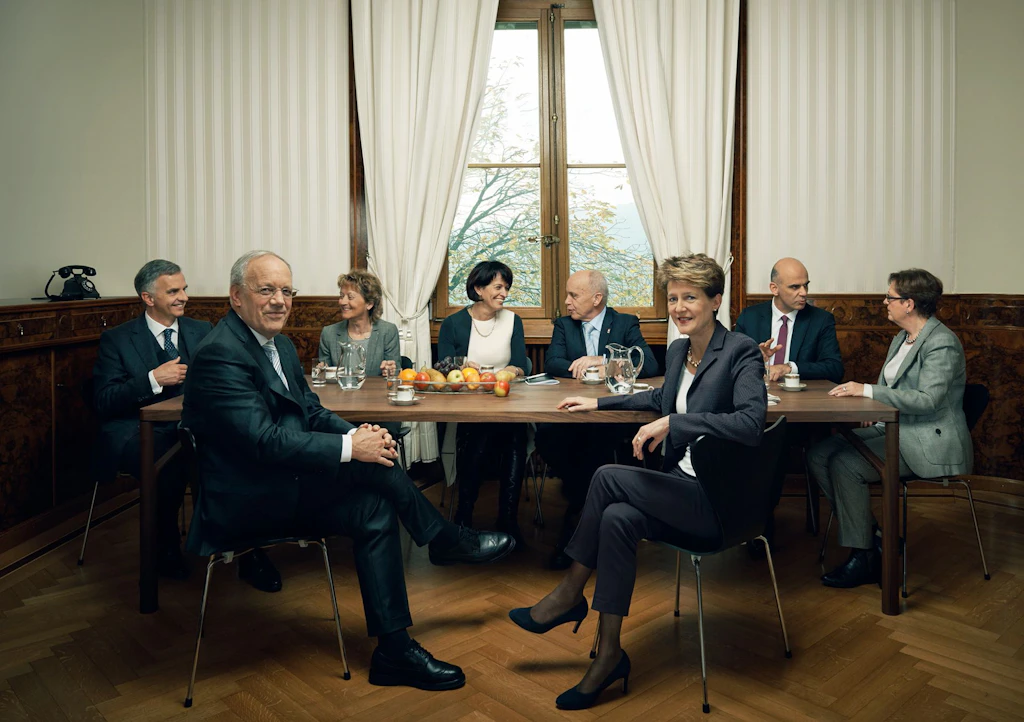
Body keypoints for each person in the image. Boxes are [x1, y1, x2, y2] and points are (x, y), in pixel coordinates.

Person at [181, 250, 514, 691]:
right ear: (236, 296)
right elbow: (263, 441)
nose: (280, 300)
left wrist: (363, 437)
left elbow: (312, 411)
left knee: (375, 499)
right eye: (267, 290)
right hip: (245, 499)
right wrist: (349, 447)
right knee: (373, 472)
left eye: (286, 290)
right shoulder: (221, 354)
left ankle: (395, 649)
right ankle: (444, 541)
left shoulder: (275, 343)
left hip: (281, 482)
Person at [509, 254, 766, 710]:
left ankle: (570, 594)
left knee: (608, 476)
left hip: (717, 502)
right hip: (682, 490)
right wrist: (598, 406)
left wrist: (674, 424)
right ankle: (608, 654)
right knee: (619, 519)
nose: (680, 307)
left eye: (690, 297)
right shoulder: (679, 350)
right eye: (673, 298)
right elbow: (659, 396)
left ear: (715, 301)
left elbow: (750, 423)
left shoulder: (740, 350)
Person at [807, 268, 972, 589]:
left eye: (890, 297)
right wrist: (874, 409)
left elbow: (928, 400)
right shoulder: (902, 338)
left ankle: (863, 554)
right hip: (895, 428)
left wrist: (868, 392)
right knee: (818, 453)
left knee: (845, 464)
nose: (885, 302)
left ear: (909, 304)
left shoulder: (942, 344)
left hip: (927, 441)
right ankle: (877, 538)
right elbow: (893, 388)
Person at [92, 260, 212, 581]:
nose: (184, 296)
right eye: (173, 291)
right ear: (148, 298)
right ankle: (165, 548)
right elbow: (104, 401)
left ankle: (238, 547)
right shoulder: (117, 340)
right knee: (169, 460)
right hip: (136, 430)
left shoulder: (203, 331)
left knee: (234, 451)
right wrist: (152, 379)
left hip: (191, 426)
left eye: (184, 288)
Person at [535, 270, 660, 569]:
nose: (566, 302)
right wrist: (591, 370)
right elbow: (553, 362)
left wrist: (604, 362)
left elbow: (650, 363)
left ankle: (575, 525)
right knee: (548, 437)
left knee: (597, 443)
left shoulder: (625, 322)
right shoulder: (564, 325)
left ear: (597, 298)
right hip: (574, 413)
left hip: (613, 413)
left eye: (573, 295)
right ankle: (591, 509)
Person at [734, 257, 844, 546]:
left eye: (805, 285)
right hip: (755, 408)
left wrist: (790, 366)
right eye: (795, 286)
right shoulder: (750, 317)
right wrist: (753, 358)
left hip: (799, 418)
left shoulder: (820, 320)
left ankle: (759, 525)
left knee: (772, 440)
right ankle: (738, 518)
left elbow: (834, 368)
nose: (803, 293)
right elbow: (729, 364)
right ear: (774, 288)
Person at [437, 260, 529, 545]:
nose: (504, 293)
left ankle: (508, 520)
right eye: (498, 287)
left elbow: (519, 364)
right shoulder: (453, 323)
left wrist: (508, 372)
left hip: (506, 400)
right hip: (469, 403)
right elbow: (441, 366)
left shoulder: (513, 320)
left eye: (506, 288)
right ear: (478, 288)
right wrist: (463, 364)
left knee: (516, 434)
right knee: (479, 431)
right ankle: (464, 517)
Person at [319, 269, 402, 438]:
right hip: (339, 412)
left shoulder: (388, 331)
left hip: (379, 410)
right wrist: (322, 371)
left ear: (369, 303)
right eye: (341, 296)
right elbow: (324, 381)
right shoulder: (328, 333)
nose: (342, 301)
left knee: (376, 439)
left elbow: (396, 373)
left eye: (350, 297)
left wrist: (391, 370)